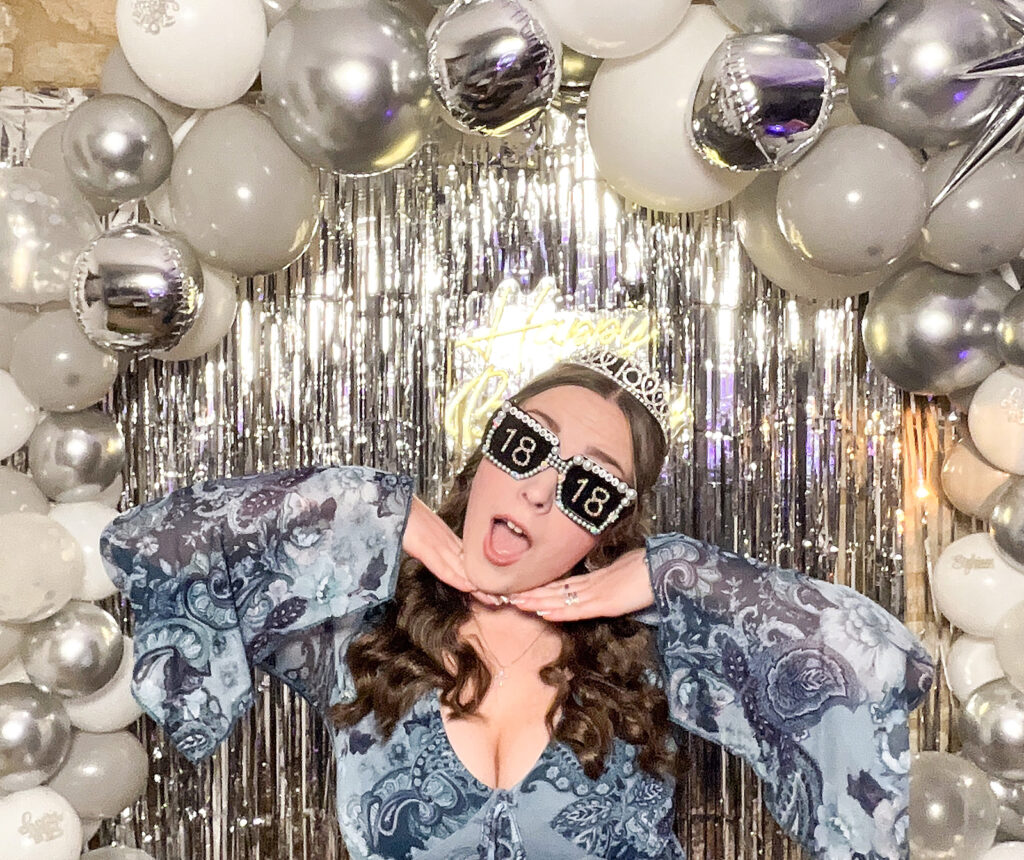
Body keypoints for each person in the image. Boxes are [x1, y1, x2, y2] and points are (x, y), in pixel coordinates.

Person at [100, 349, 933, 860]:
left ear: (608, 531)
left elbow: (880, 664)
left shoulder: (658, 653)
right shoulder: (357, 629)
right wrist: (378, 513)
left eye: (589, 488)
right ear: (484, 456)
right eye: (527, 446)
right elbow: (156, 546)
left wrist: (672, 578)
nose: (540, 493)